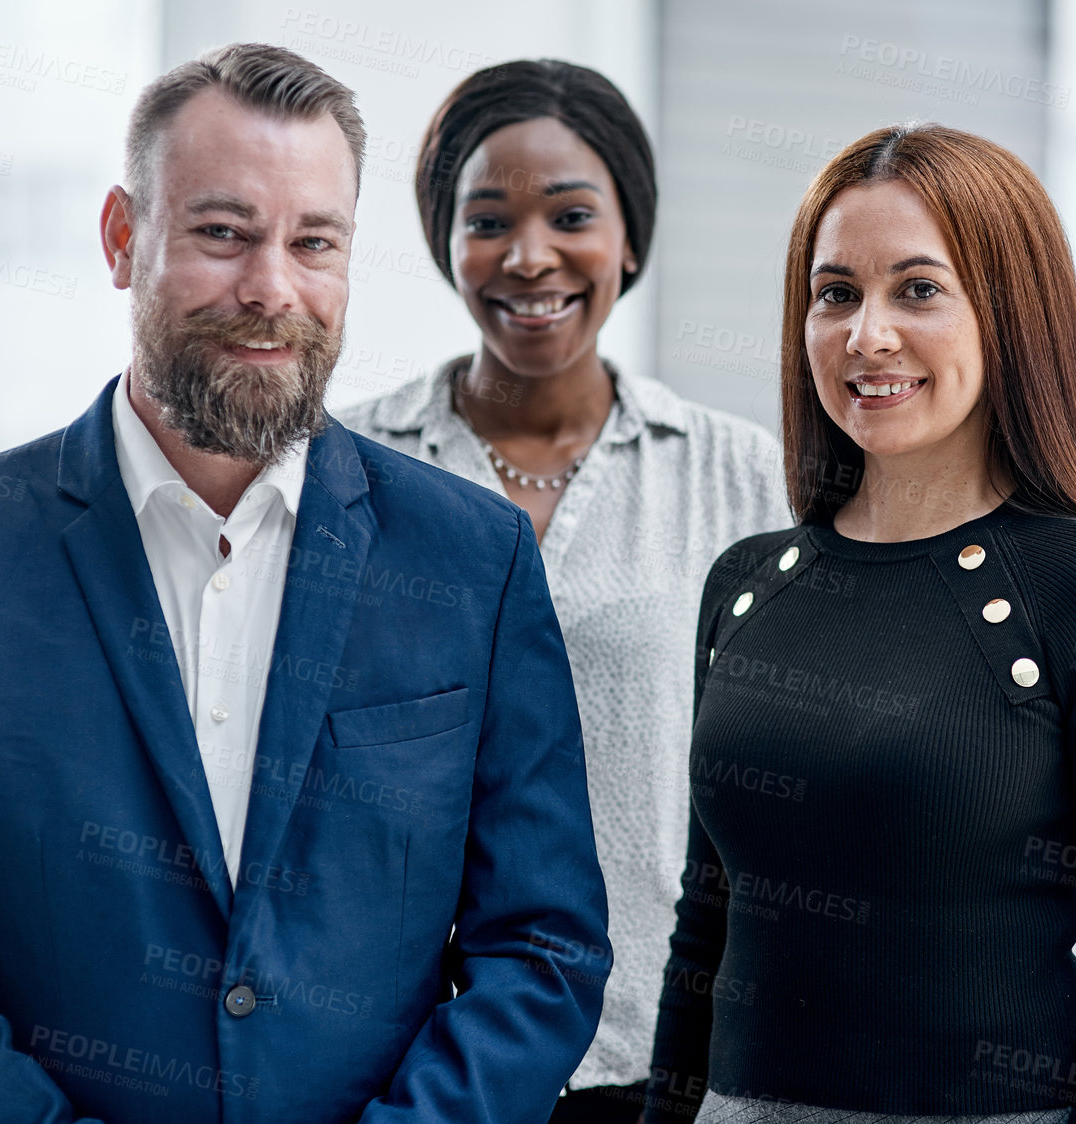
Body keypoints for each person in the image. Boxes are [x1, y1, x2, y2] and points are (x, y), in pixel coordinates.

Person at [0, 44, 608, 1124]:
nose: (272, 287)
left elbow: (541, 947)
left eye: (314, 241)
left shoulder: (474, 559)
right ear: (124, 239)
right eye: (224, 234)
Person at [646, 123, 1076, 1124]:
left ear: (1011, 315)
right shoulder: (746, 582)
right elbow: (706, 931)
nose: (867, 334)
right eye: (836, 293)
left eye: (918, 289)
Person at [337, 60, 786, 1124]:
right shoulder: (346, 464)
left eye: (572, 215)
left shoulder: (737, 473)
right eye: (486, 219)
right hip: (410, 1065)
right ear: (446, 241)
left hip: (668, 1056)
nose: (529, 255)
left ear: (630, 237)